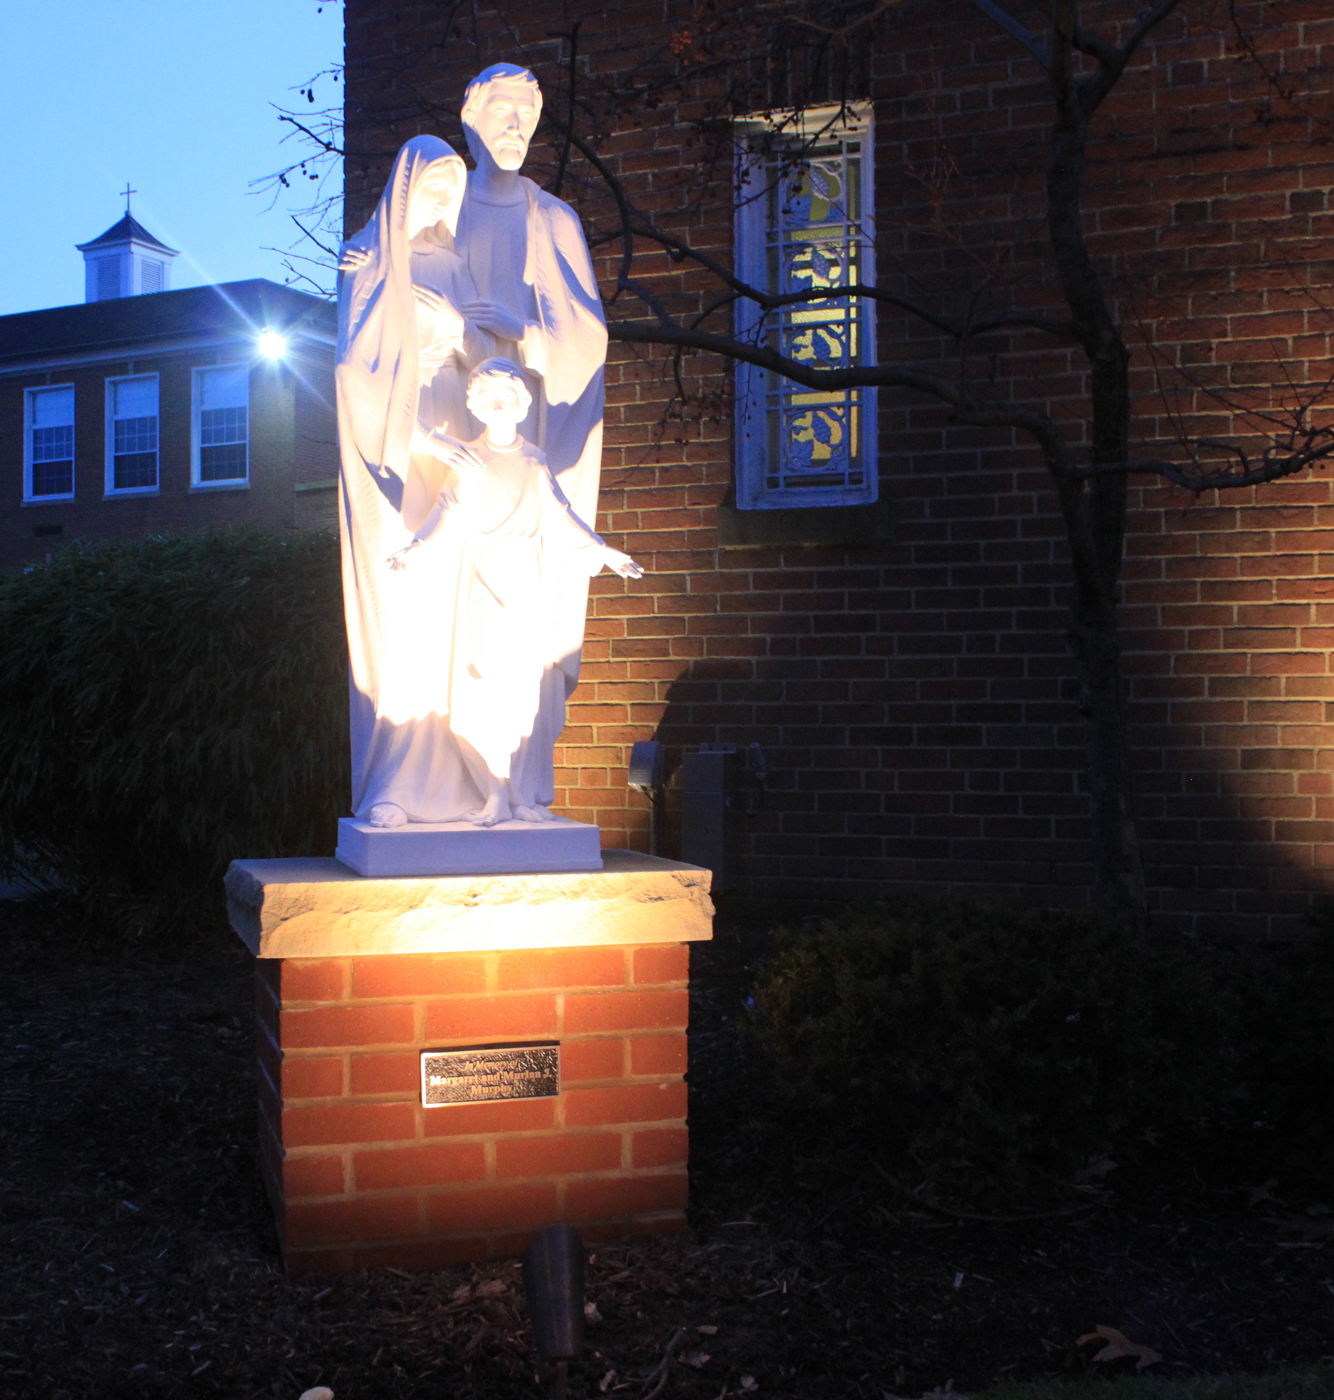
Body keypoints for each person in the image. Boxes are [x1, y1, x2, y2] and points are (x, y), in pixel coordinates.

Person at [452, 63, 610, 816]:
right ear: (472, 119)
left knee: (525, 626)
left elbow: (587, 340)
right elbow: (401, 271)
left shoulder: (554, 220)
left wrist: (521, 331)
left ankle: (523, 787)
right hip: (453, 436)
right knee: (460, 625)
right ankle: (449, 781)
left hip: (532, 433)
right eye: (502, 111)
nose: (516, 126)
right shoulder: (443, 208)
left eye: (527, 113)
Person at [387, 359, 641, 827]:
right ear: (474, 405)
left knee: (521, 692)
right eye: (487, 398)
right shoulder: (468, 458)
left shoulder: (533, 460)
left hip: (524, 578)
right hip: (481, 577)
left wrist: (603, 552)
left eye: (507, 397)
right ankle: (495, 794)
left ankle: (516, 795)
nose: (498, 406)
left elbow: (560, 516)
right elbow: (447, 512)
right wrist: (416, 549)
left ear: (523, 403)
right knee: (480, 686)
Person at [336, 135, 500, 828]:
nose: (441, 199)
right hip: (400, 448)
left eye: (450, 189)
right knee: (406, 605)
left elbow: (488, 356)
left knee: (456, 607)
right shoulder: (369, 260)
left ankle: (464, 776)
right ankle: (397, 782)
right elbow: (357, 374)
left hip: (461, 422)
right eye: (432, 185)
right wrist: (425, 438)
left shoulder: (455, 265)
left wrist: (463, 331)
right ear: (406, 187)